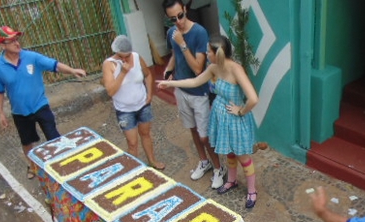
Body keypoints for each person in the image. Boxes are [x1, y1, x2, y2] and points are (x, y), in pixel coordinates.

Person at [158, 35, 260, 208]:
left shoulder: (236, 69)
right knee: (228, 152)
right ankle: (232, 180)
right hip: (220, 116)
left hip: (235, 119)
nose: (205, 54)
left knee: (243, 156)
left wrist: (241, 111)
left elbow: (253, 99)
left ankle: (252, 191)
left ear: (217, 53)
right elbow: (195, 81)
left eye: (208, 51)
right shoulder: (213, 68)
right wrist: (171, 84)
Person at [0, 25, 87, 180]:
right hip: (20, 111)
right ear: (2, 45)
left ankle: (63, 163)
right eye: (11, 41)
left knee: (53, 136)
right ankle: (32, 165)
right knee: (27, 141)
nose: (17, 43)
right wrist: (1, 112)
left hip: (40, 105)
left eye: (17, 39)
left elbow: (54, 65)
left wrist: (72, 70)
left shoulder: (31, 57)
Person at [162, 0, 226, 189]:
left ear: (185, 9)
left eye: (180, 16)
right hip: (181, 89)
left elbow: (198, 68)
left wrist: (182, 44)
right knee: (192, 129)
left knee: (204, 135)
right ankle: (204, 161)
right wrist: (168, 70)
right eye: (173, 19)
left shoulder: (199, 32)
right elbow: (174, 54)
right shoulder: (171, 33)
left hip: (199, 92)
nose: (178, 21)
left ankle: (218, 168)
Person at [102, 35, 165, 171]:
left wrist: (149, 93)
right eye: (121, 56)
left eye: (127, 55)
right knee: (132, 142)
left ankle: (152, 161)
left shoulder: (136, 57)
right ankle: (134, 170)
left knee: (146, 134)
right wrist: (123, 72)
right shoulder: (109, 64)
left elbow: (147, 74)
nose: (125, 59)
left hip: (142, 105)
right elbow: (110, 91)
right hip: (124, 110)